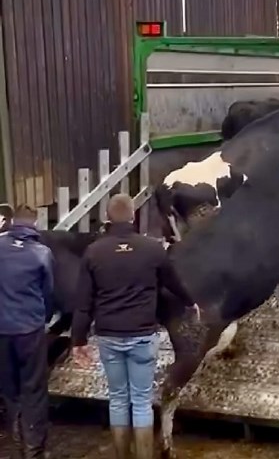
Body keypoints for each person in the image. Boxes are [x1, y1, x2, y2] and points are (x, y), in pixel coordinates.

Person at [71, 193, 200, 459]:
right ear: (133, 215)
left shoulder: (94, 252)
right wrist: (191, 302)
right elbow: (173, 283)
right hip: (143, 335)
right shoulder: (153, 249)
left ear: (108, 218)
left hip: (108, 336)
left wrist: (78, 341)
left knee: (118, 399)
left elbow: (83, 303)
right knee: (141, 401)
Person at [0, 204, 54, 459]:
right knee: (34, 388)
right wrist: (43, 319)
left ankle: (17, 434)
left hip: (1, 329)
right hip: (29, 329)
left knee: (10, 387)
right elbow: (48, 293)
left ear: (11, 223)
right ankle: (33, 448)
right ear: (35, 222)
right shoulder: (41, 253)